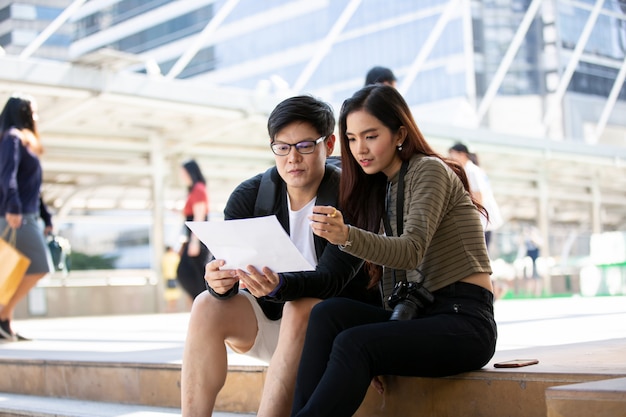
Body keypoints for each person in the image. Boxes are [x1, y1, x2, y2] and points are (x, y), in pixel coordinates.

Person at [290, 85, 497, 417]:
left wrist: (346, 236)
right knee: (328, 314)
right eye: (352, 139)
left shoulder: (429, 170)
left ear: (400, 132)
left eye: (371, 136)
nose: (360, 149)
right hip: (419, 318)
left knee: (354, 343)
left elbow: (410, 251)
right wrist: (381, 345)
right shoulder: (383, 187)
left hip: (463, 323)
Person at [181, 95, 380, 417]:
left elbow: (332, 281)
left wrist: (277, 287)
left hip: (329, 336)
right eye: (282, 148)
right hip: (270, 326)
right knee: (206, 303)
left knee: (302, 307)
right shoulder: (250, 196)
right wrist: (220, 282)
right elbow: (230, 264)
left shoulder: (351, 195)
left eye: (304, 146)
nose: (292, 159)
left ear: (328, 144)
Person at [0, 93, 53, 341]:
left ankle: (5, 321)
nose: (36, 116)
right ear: (22, 112)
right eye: (33, 111)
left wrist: (46, 216)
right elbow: (7, 175)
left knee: (20, 269)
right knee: (40, 265)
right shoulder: (13, 137)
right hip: (17, 215)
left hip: (28, 214)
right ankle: (3, 315)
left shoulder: (25, 140)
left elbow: (33, 186)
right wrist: (13, 207)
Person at [448, 142, 503, 250]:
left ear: (462, 154)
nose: (450, 158)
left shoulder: (472, 171)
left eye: (452, 154)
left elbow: (479, 197)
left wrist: (471, 218)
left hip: (482, 220)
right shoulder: (470, 170)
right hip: (482, 221)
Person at [177, 159, 210, 304]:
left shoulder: (198, 189)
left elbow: (199, 216)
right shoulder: (193, 190)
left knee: (188, 273)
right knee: (192, 274)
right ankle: (201, 304)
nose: (181, 176)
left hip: (197, 238)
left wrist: (194, 242)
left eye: (183, 173)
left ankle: (203, 304)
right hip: (192, 237)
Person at [162, 245, 181, 312]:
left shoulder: (165, 257)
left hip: (167, 276)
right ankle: (173, 308)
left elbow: (163, 268)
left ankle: (169, 307)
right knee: (174, 292)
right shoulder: (174, 256)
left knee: (169, 293)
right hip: (174, 275)